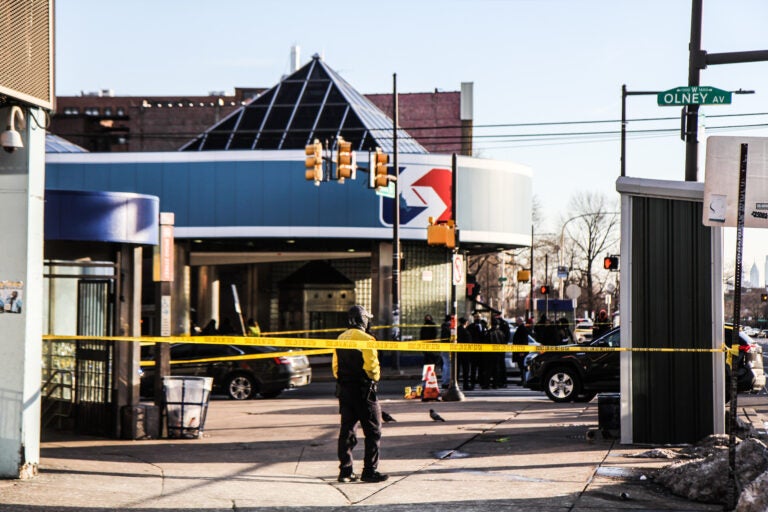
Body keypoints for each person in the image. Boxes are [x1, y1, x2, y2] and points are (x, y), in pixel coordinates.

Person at [333, 305, 388, 484]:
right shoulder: (367, 339)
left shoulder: (340, 338)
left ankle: (345, 472)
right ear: (363, 319)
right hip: (364, 391)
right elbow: (372, 367)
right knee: (373, 431)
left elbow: (335, 368)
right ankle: (369, 471)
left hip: (345, 391)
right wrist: (375, 378)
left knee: (347, 431)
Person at [456, 317, 471, 390]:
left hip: (458, 352)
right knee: (466, 369)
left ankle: (456, 384)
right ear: (465, 322)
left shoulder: (457, 330)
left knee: (457, 369)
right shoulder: (465, 331)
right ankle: (465, 385)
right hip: (465, 353)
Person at [439, 315, 452, 389]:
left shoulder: (444, 327)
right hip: (447, 348)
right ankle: (446, 382)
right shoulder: (448, 328)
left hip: (444, 348)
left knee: (445, 365)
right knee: (447, 365)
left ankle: (445, 381)